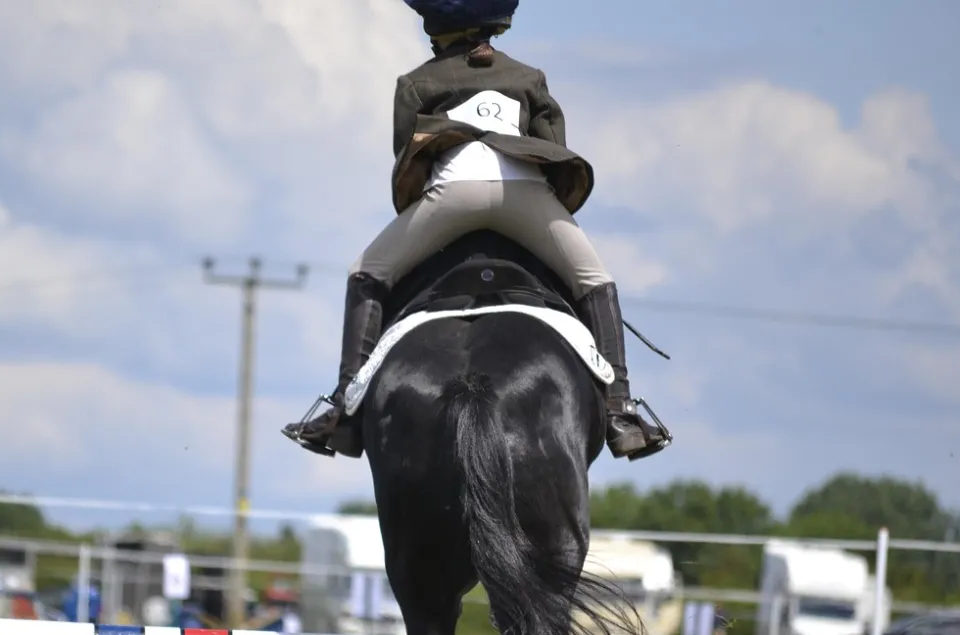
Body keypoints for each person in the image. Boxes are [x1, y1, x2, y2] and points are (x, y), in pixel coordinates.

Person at [281, 0, 671, 461]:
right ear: (495, 25)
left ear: (437, 30)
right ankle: (622, 412)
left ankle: (344, 413)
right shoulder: (529, 78)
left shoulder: (415, 83)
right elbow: (553, 151)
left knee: (366, 272)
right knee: (595, 280)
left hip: (453, 195)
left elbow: (410, 166)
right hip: (523, 197)